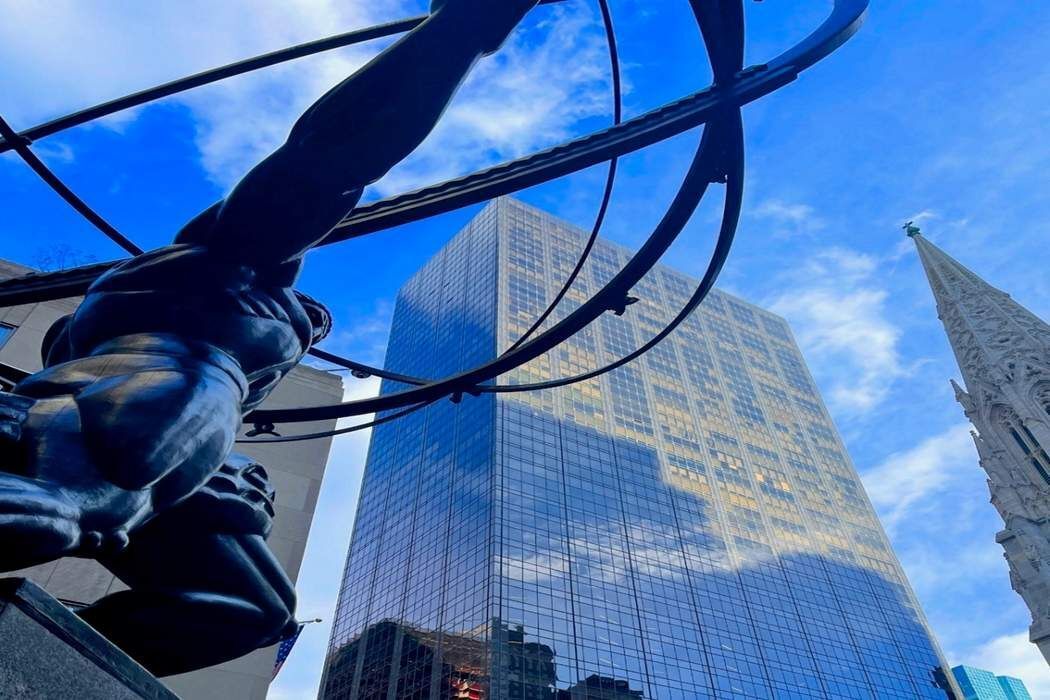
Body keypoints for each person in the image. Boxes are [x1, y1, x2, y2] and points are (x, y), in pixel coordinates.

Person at [0, 0, 541, 675]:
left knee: (246, 609)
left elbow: (71, 359)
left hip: (162, 438)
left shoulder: (183, 332)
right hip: (127, 422)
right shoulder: (230, 265)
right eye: (306, 315)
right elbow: (330, 159)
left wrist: (225, 467)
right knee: (65, 508)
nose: (314, 325)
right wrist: (465, 31)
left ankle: (42, 657)